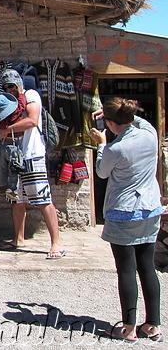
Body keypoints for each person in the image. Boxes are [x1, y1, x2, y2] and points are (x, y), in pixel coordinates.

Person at [89, 97, 164, 343]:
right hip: (150, 208)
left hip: (124, 210)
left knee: (126, 270)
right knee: (147, 266)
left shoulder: (116, 148)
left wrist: (101, 144)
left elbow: (101, 171)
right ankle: (153, 324)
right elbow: (138, 122)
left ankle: (129, 327)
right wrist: (117, 114)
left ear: (110, 123)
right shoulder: (150, 133)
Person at [0, 69, 65, 259]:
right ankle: (18, 239)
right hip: (15, 155)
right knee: (17, 199)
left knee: (42, 198)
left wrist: (7, 129)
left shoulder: (30, 95)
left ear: (19, 84)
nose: (9, 89)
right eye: (6, 86)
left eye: (12, 85)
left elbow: (32, 120)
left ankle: (56, 243)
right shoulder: (8, 102)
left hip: (32, 154)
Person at [0, 91, 27, 201]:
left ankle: (2, 186)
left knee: (4, 169)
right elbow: (21, 105)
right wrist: (21, 94)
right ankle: (12, 190)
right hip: (13, 146)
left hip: (2, 146)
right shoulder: (14, 116)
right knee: (14, 169)